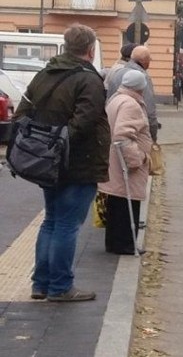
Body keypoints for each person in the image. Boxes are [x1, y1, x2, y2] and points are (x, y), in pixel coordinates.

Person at [14, 23, 110, 302]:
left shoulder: (45, 74)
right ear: (90, 51)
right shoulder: (89, 80)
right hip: (78, 162)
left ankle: (40, 284)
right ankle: (60, 286)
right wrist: (61, 139)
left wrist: (43, 142)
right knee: (67, 224)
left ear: (66, 47)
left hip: (44, 161)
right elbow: (86, 120)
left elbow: (22, 114)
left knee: (51, 221)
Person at [99, 70, 152, 255]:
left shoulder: (117, 99)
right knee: (127, 203)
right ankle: (125, 244)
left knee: (116, 202)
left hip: (113, 161)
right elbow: (123, 135)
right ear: (140, 88)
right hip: (125, 165)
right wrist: (137, 160)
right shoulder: (131, 104)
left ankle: (114, 243)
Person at [108, 46, 159, 142]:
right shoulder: (142, 77)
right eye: (149, 60)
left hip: (113, 130)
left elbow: (109, 101)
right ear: (144, 61)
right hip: (135, 133)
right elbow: (150, 110)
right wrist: (153, 136)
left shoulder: (117, 73)